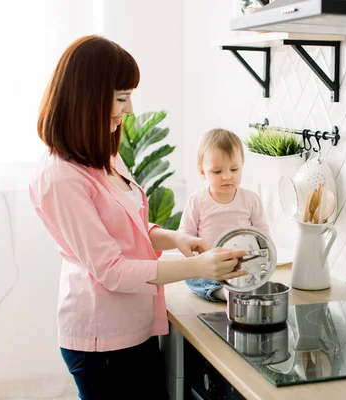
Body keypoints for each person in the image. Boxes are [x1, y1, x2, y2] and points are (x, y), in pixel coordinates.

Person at [29, 35, 247, 400]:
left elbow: (127, 227)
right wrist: (199, 268)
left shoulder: (103, 157)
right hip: (103, 341)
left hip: (133, 326)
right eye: (121, 97)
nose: (129, 110)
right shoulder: (60, 178)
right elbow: (111, 268)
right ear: (88, 98)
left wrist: (174, 238)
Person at [179, 128, 269, 301]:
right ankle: (221, 292)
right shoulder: (197, 200)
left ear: (242, 167)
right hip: (208, 267)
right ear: (203, 173)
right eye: (217, 172)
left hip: (241, 264)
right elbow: (185, 234)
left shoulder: (250, 199)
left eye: (234, 169)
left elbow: (262, 231)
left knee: (256, 273)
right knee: (191, 277)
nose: (227, 177)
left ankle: (242, 287)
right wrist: (197, 260)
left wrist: (261, 257)